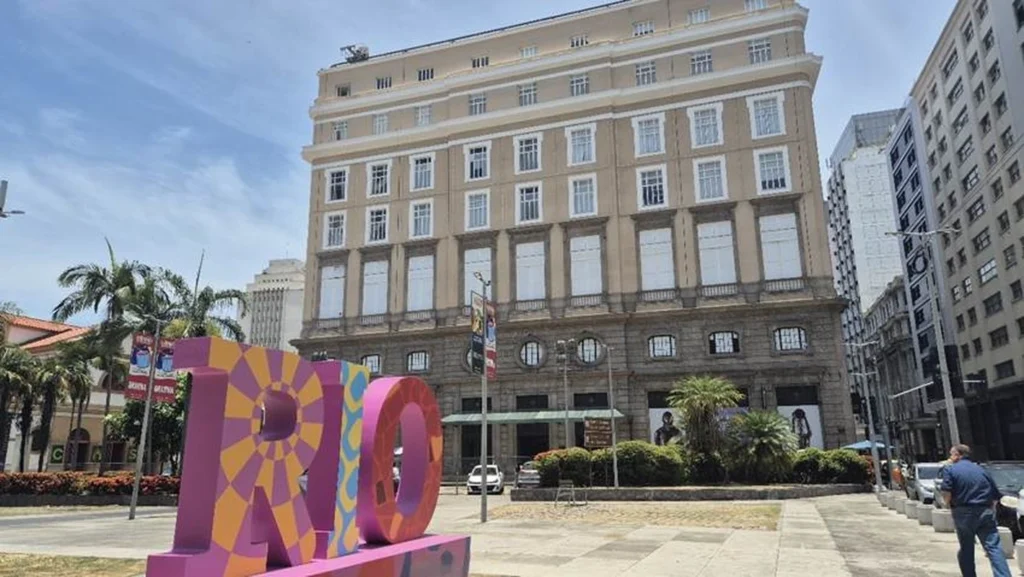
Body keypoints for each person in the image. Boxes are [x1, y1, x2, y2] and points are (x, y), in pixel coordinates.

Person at [939, 444, 1011, 577]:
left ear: (957, 455)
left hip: (963, 512)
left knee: (966, 548)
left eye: (951, 454)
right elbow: (995, 495)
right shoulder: (981, 469)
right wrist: (991, 510)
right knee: (994, 548)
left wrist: (947, 505)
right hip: (985, 510)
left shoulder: (950, 470)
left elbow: (946, 491)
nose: (950, 457)